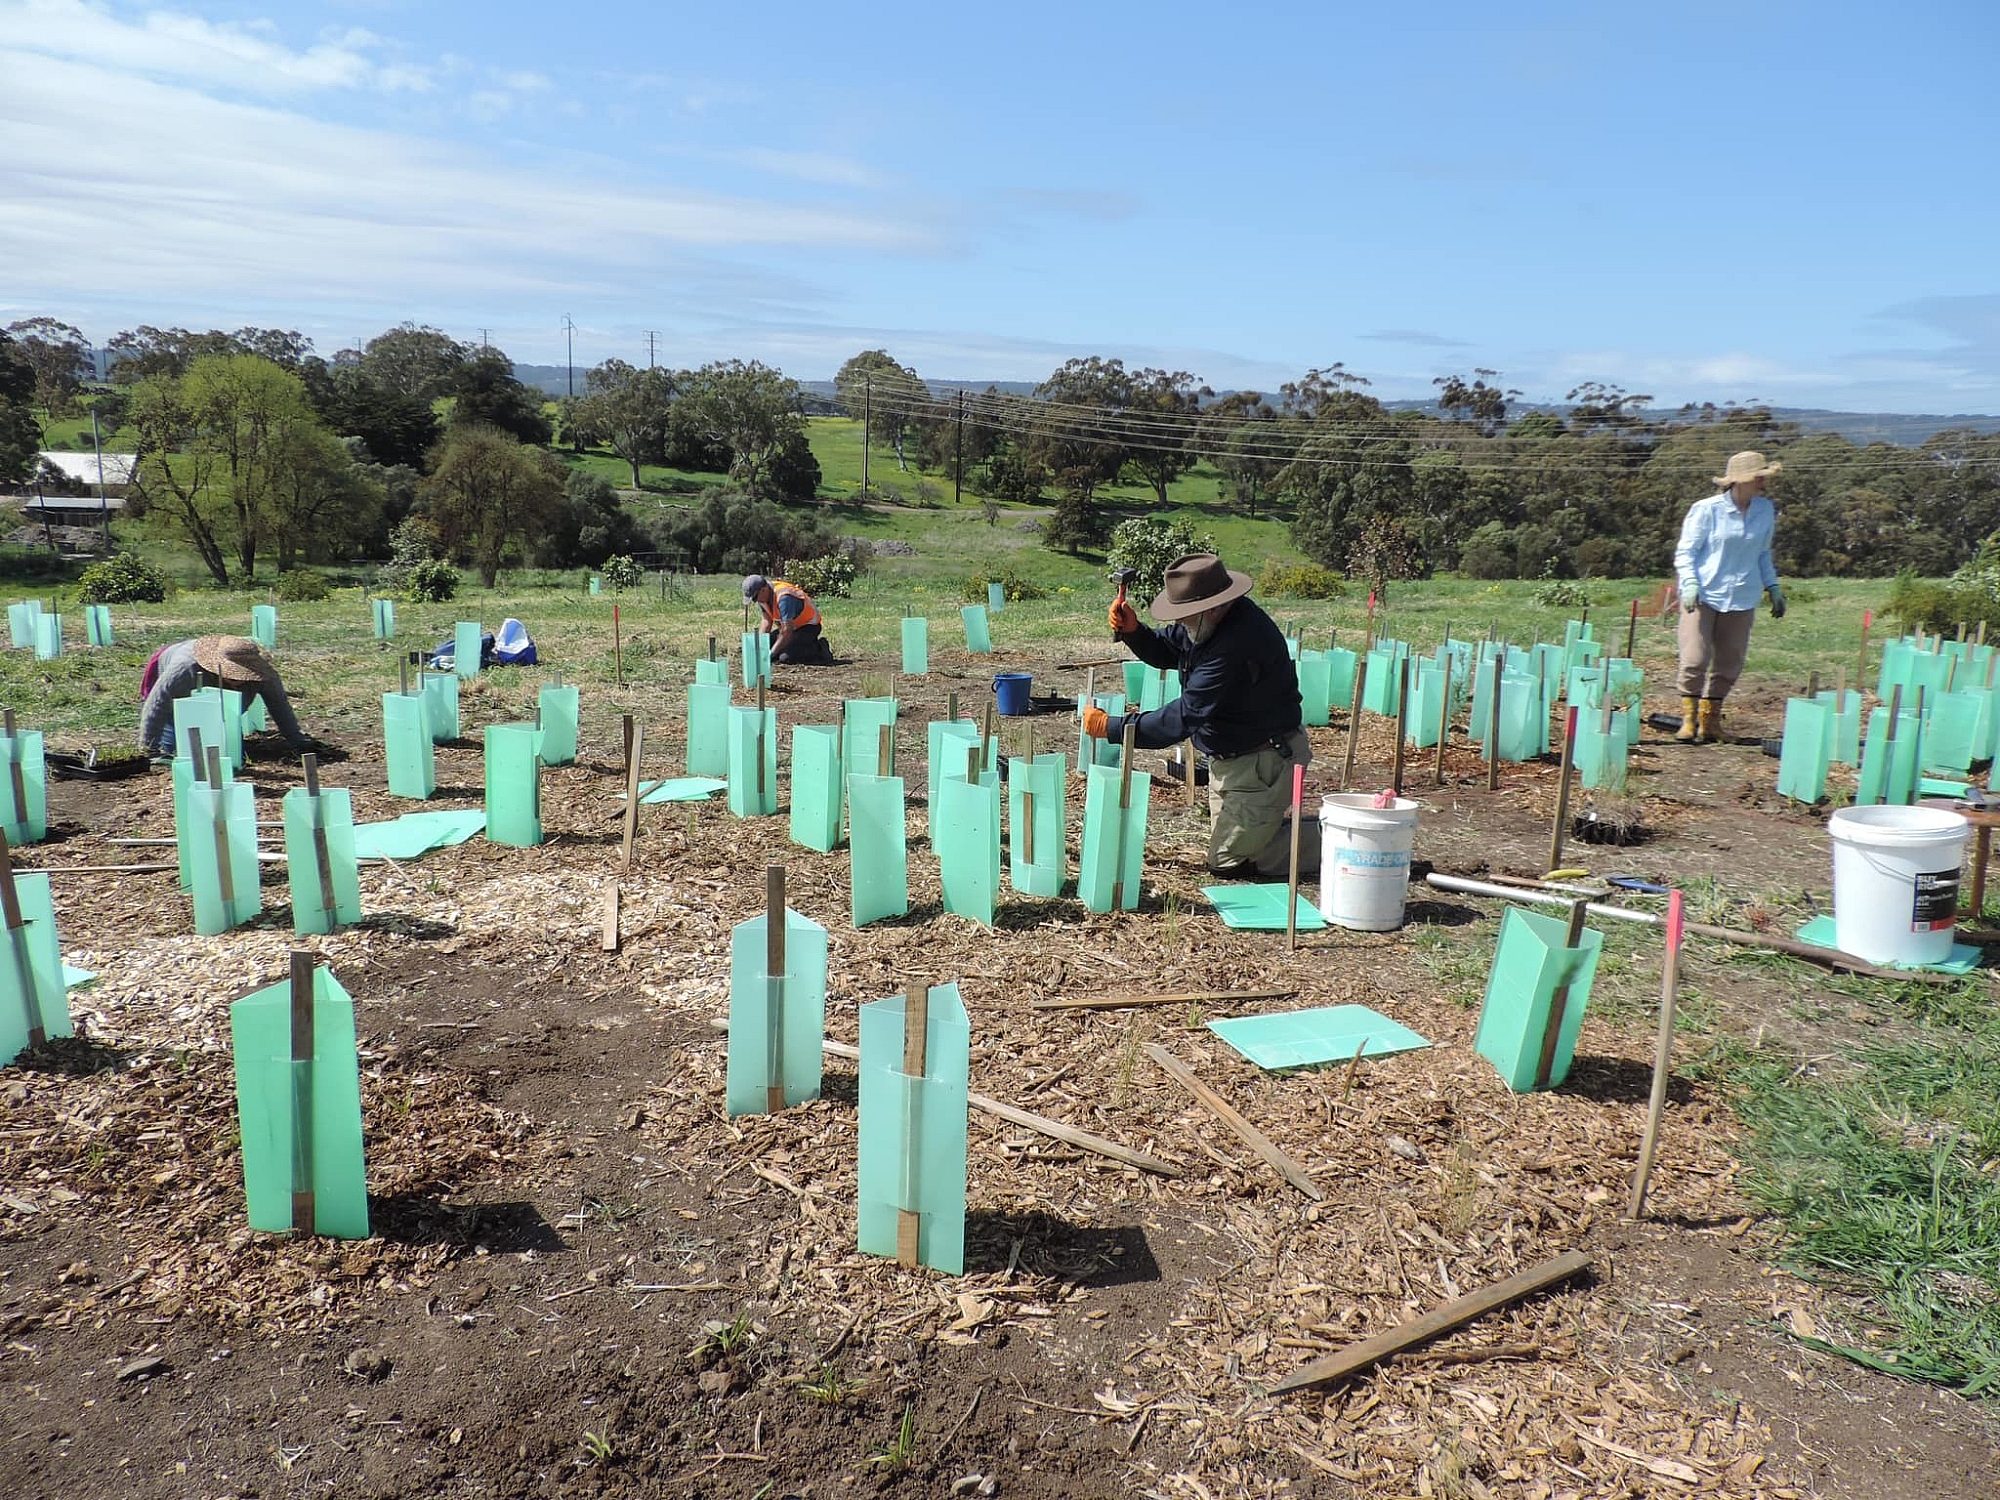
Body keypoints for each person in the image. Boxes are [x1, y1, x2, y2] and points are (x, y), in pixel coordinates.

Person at [1082, 553, 1317, 879]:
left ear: (1214, 607)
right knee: (1243, 844)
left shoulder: (1236, 643)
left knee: (1228, 862)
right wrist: (1135, 632)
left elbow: (1185, 715)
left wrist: (1114, 727)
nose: (1181, 623)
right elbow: (1170, 649)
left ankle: (1349, 841)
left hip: (1263, 762)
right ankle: (1269, 828)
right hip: (1234, 761)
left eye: (1185, 616)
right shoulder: (1207, 624)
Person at [1673, 450, 1785, 744]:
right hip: (1704, 593)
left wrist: (1773, 586)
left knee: (1730, 661)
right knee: (1694, 658)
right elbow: (1687, 552)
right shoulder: (1706, 510)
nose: (1763, 481)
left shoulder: (1765, 510)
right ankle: (1688, 720)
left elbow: (1762, 553)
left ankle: (1710, 722)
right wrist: (1690, 583)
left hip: (1743, 594)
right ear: (1740, 480)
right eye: (1758, 476)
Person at [138, 635, 313, 758]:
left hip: (220, 707)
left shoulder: (264, 676)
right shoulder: (185, 670)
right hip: (177, 700)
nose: (240, 680)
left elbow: (279, 706)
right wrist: (149, 749)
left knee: (227, 748)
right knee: (175, 750)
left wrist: (298, 741)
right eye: (234, 675)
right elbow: (157, 704)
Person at [742, 574, 833, 665]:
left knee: (786, 657)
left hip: (808, 627)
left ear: (763, 590)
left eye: (755, 597)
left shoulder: (784, 598)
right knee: (767, 646)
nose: (755, 601)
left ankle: (819, 648)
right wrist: (760, 646)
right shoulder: (763, 597)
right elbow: (767, 621)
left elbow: (787, 631)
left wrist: (771, 654)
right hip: (791, 627)